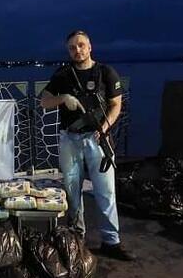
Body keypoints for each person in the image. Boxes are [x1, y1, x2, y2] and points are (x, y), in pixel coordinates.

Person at [40, 30, 136, 261]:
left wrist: (104, 127)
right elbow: (44, 101)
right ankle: (76, 238)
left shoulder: (105, 72)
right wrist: (63, 98)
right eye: (72, 47)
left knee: (106, 192)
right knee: (72, 191)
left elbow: (116, 104)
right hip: (70, 140)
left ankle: (111, 241)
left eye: (81, 45)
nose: (77, 50)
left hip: (98, 140)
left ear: (90, 47)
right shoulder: (63, 74)